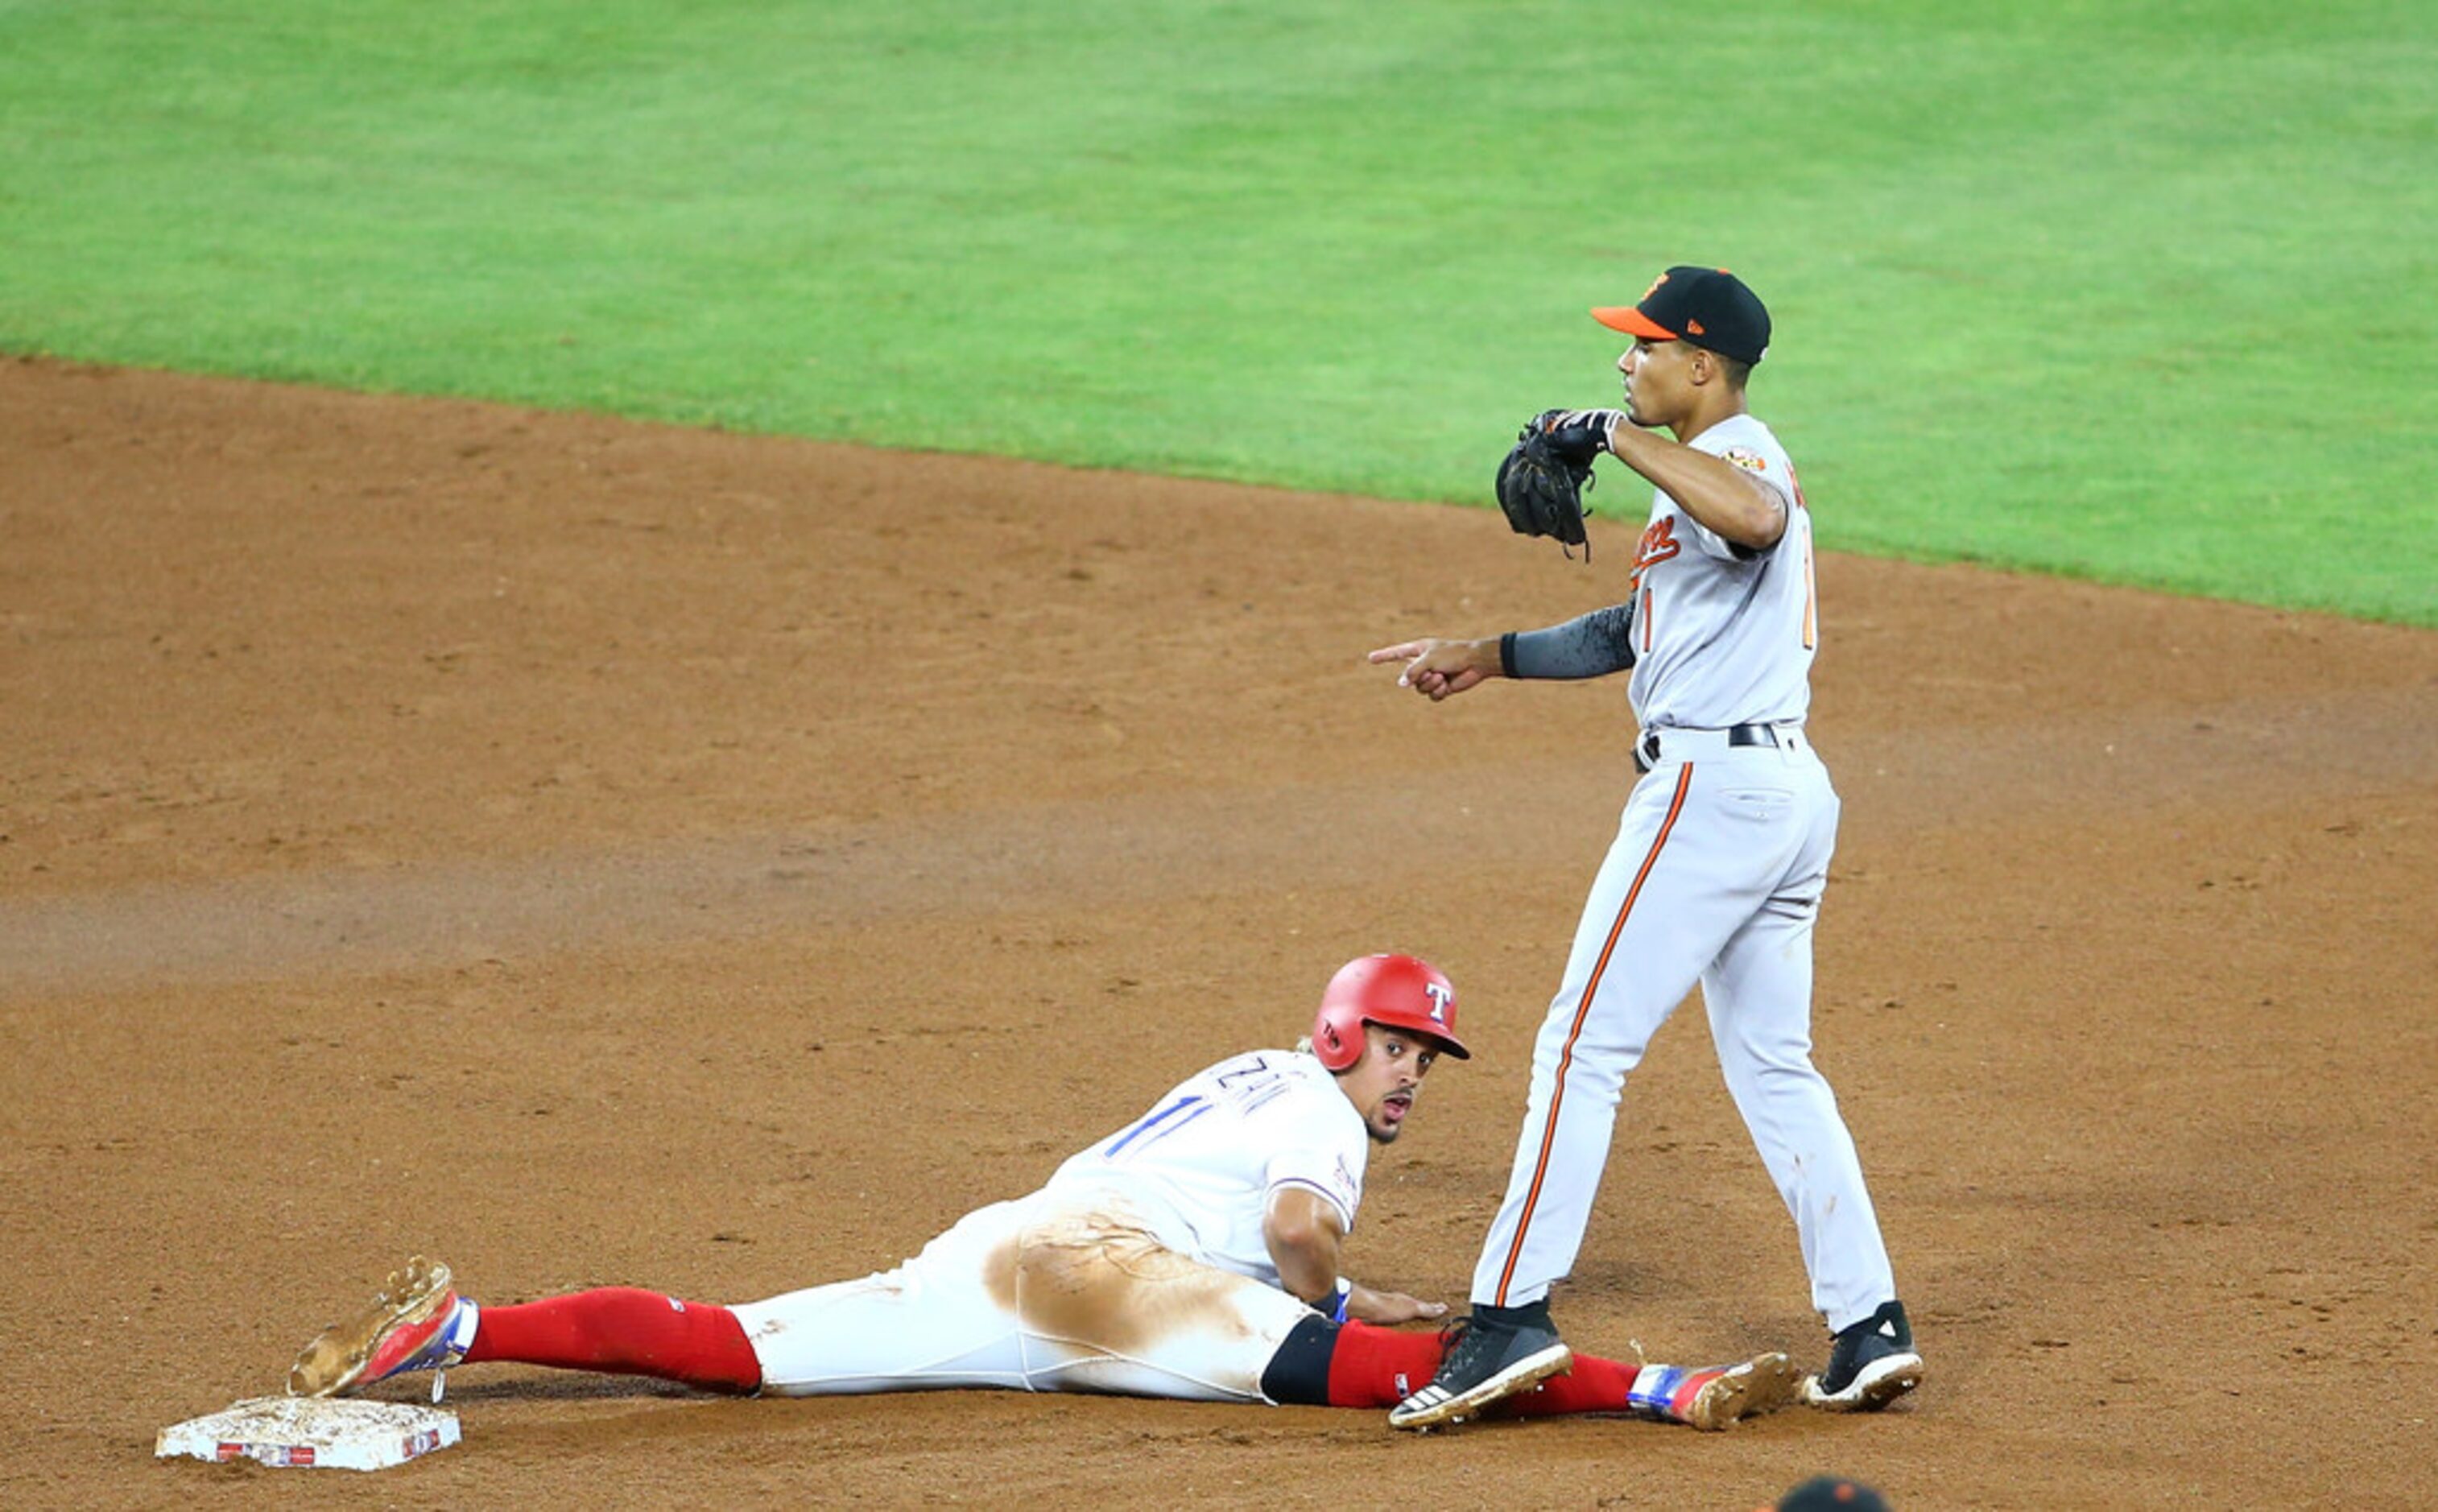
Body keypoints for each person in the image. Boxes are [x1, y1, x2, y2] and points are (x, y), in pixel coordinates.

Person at [288, 953, 1797, 1431]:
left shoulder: (1245, 1073)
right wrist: (1334, 1285)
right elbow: (1287, 1230)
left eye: (1427, 1057)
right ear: (1348, 1035)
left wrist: (1324, 1277)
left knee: (732, 1345)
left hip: (1001, 1248)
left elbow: (1266, 1230)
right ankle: (1664, 1386)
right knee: (1398, 1376)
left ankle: (466, 1327)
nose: (1410, 1075)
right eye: (1400, 1047)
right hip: (1107, 1275)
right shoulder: (1318, 1114)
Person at [1368, 267, 1922, 1431]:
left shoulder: (1747, 461)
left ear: (1702, 367)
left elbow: (1759, 518)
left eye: (1644, 349)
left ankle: (1509, 1312)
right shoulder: (1696, 494)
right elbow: (1634, 629)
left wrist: (1615, 436)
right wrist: (1491, 651)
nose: (1626, 363)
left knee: (1580, 1041)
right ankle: (1870, 1323)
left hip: (1714, 790)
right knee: (1775, 1062)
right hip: (1773, 790)